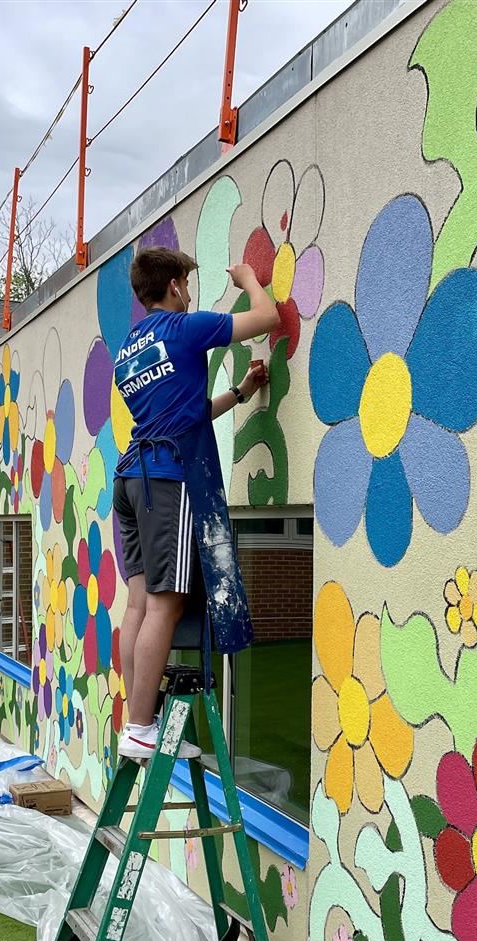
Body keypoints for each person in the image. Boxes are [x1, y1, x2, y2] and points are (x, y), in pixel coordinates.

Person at [111, 248, 279, 760]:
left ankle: (136, 721)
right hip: (169, 479)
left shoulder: (127, 349)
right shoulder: (181, 329)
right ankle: (142, 728)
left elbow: (187, 410)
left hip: (131, 479)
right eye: (188, 283)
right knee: (167, 604)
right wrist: (251, 278)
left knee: (139, 605)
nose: (190, 292)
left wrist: (241, 392)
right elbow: (267, 317)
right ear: (177, 284)